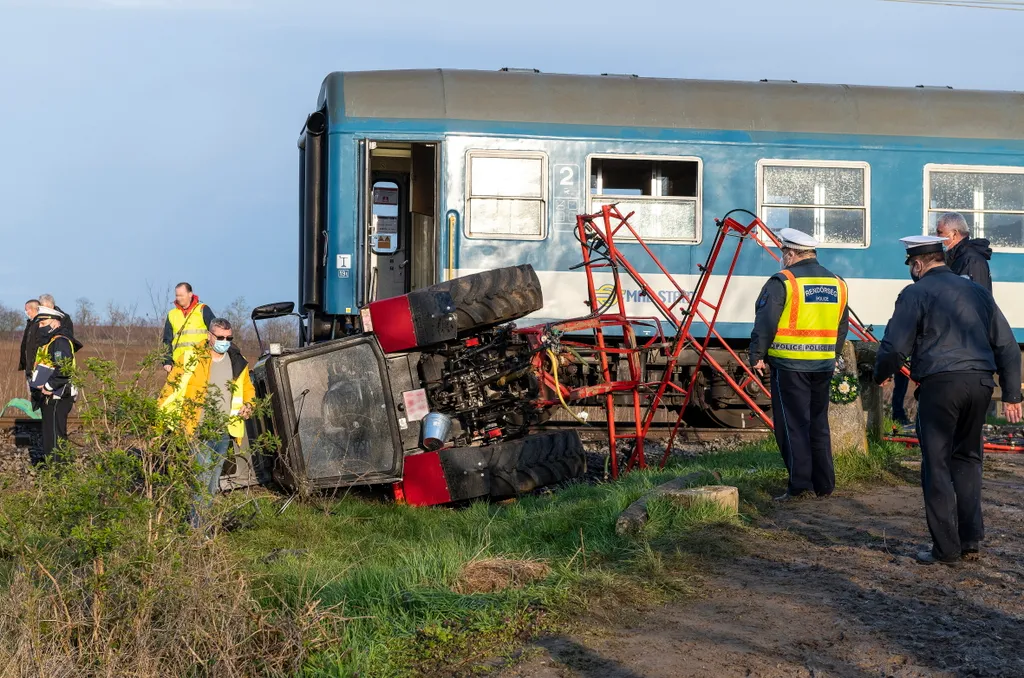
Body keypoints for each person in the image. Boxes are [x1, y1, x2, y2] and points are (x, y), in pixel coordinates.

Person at [874, 235, 1021, 566]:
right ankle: (970, 541)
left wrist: (880, 373)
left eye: (912, 266)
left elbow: (895, 348)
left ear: (918, 264)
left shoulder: (915, 293)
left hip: (941, 385)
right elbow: (1008, 345)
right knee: (968, 458)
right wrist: (1012, 393)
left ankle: (946, 550)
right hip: (981, 383)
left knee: (936, 463)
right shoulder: (978, 292)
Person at [749, 228, 850, 501]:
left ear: (790, 254)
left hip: (789, 365)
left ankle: (799, 485)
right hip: (823, 366)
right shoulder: (838, 283)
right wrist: (830, 353)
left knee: (793, 425)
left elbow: (766, 322)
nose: (782, 259)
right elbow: (842, 327)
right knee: (818, 424)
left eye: (783, 253)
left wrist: (756, 355)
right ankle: (824, 484)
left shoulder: (784, 281)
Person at [158, 318, 255, 526]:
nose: (225, 341)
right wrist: (157, 420)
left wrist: (249, 404)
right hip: (198, 430)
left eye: (229, 338)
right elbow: (170, 388)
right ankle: (196, 530)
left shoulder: (237, 360)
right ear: (210, 336)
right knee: (200, 481)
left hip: (223, 430)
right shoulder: (191, 357)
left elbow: (248, 389)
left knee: (212, 483)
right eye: (220, 337)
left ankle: (201, 524)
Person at [29, 307, 83, 462]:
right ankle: (56, 473)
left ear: (54, 322)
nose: (40, 327)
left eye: (43, 322)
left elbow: (64, 369)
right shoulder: (51, 341)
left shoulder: (60, 341)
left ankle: (57, 475)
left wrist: (48, 386)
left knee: (54, 439)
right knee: (51, 437)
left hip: (57, 396)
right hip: (52, 395)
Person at [162, 282, 216, 373]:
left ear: (190, 294)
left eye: (181, 295)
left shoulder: (203, 309)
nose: (178, 298)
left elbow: (216, 333)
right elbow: (167, 340)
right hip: (178, 365)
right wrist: (167, 361)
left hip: (200, 363)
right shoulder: (172, 314)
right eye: (177, 295)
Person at [936, 212, 992, 291]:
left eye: (939, 232)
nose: (937, 237)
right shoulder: (955, 257)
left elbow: (974, 298)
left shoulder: (972, 261)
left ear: (954, 234)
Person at [18, 299, 41, 392]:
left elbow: (36, 347)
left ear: (32, 309)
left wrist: (33, 365)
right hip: (28, 367)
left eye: (26, 309)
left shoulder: (39, 324)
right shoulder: (30, 324)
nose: (26, 312)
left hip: (35, 366)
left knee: (36, 395)